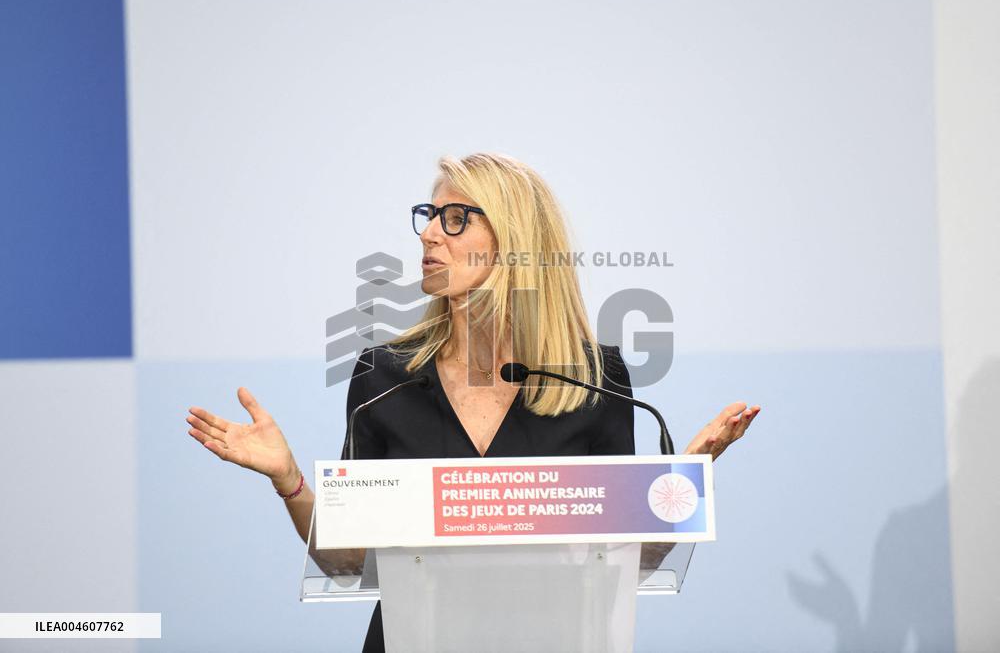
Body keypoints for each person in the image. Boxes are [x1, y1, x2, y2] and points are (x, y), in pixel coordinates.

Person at [185, 152, 761, 652]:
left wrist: (685, 479)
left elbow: (631, 561)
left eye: (456, 219)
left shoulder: (596, 377)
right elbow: (347, 562)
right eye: (429, 217)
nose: (430, 234)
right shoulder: (384, 377)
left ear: (515, 241)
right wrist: (289, 480)